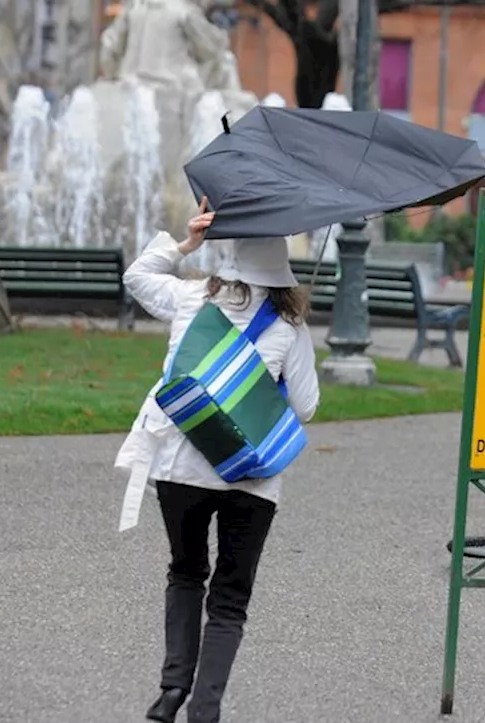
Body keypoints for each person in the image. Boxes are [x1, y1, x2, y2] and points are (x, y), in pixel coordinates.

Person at [114, 198, 320, 723]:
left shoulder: (189, 301)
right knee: (230, 598)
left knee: (185, 573)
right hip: (251, 479)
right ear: (281, 266)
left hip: (180, 466)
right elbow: (307, 407)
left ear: (227, 255)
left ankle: (169, 693)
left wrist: (187, 243)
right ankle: (205, 709)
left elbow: (137, 277)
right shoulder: (288, 328)